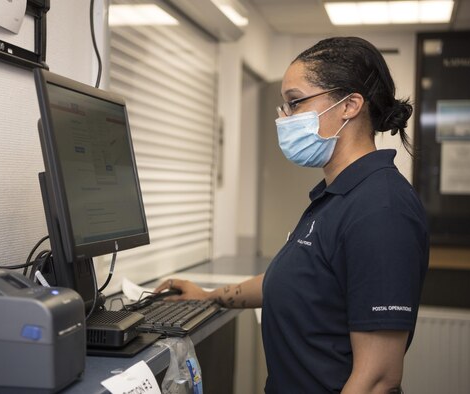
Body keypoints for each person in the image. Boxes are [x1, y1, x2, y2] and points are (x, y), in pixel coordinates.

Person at [155, 36, 429, 393]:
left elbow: (377, 379)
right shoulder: (336, 196)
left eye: (295, 103)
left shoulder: (381, 210)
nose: (284, 119)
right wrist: (208, 295)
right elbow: (291, 282)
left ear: (349, 105)